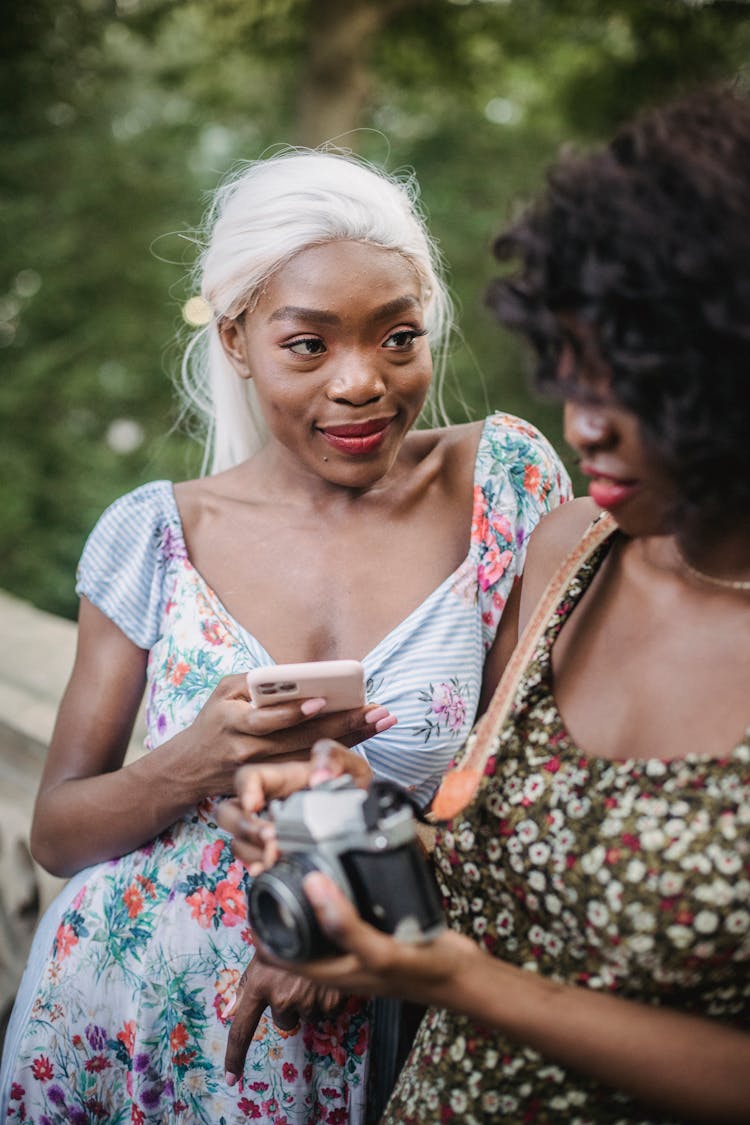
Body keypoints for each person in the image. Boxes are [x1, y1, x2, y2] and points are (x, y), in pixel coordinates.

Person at [0, 149, 571, 1124]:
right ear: (236, 337)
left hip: (409, 1002)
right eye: (309, 345)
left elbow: (541, 775)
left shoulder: (504, 485)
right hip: (147, 1012)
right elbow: (58, 832)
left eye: (398, 337)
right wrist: (192, 761)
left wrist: (364, 899)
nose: (362, 383)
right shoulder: (158, 535)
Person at [224, 86, 750, 1123]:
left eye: (633, 387)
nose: (583, 426)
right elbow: (514, 877)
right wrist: (358, 821)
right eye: (571, 371)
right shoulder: (572, 559)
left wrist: (451, 980)